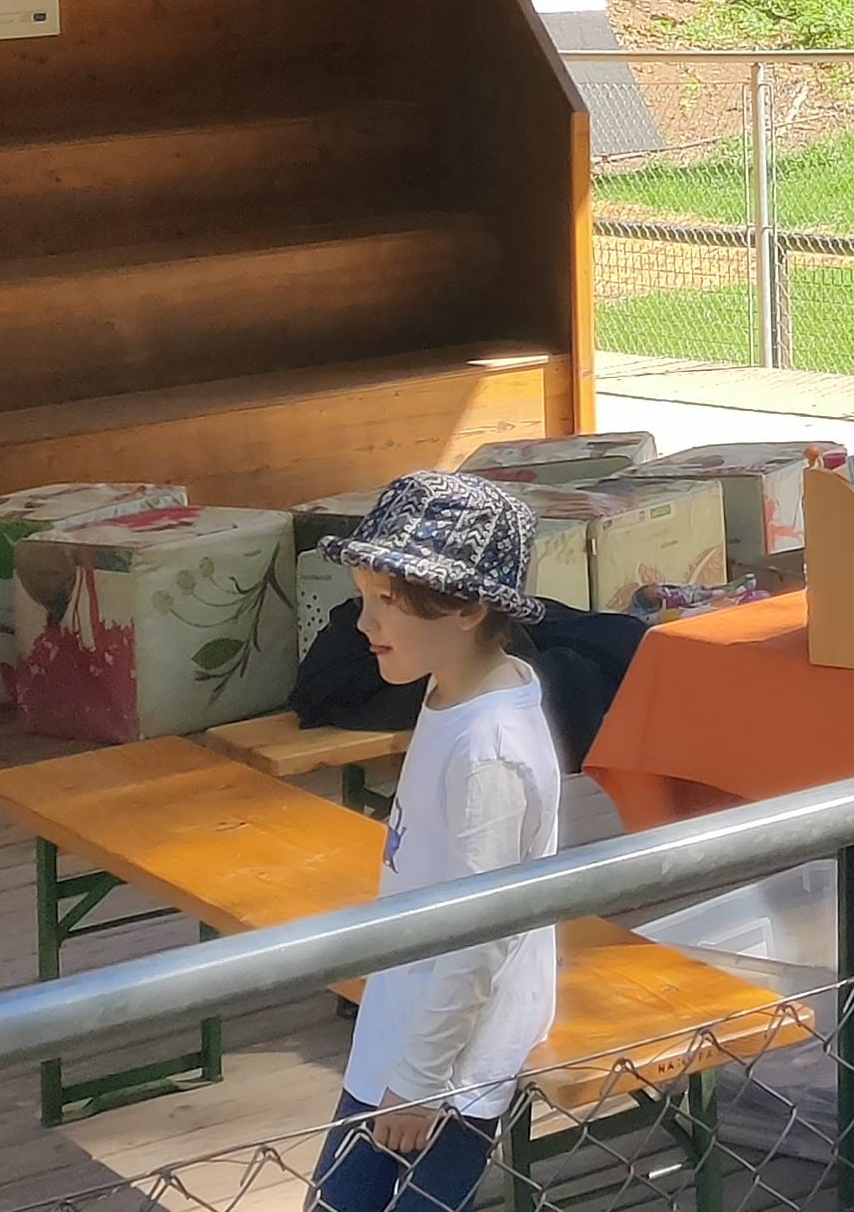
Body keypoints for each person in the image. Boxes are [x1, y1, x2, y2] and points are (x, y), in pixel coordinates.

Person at [312, 474, 562, 1212]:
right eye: (364, 595)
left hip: (448, 1060)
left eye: (388, 600)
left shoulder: (489, 749)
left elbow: (480, 935)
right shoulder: (455, 688)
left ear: (468, 608)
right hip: (405, 1017)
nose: (364, 622)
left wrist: (419, 1085)